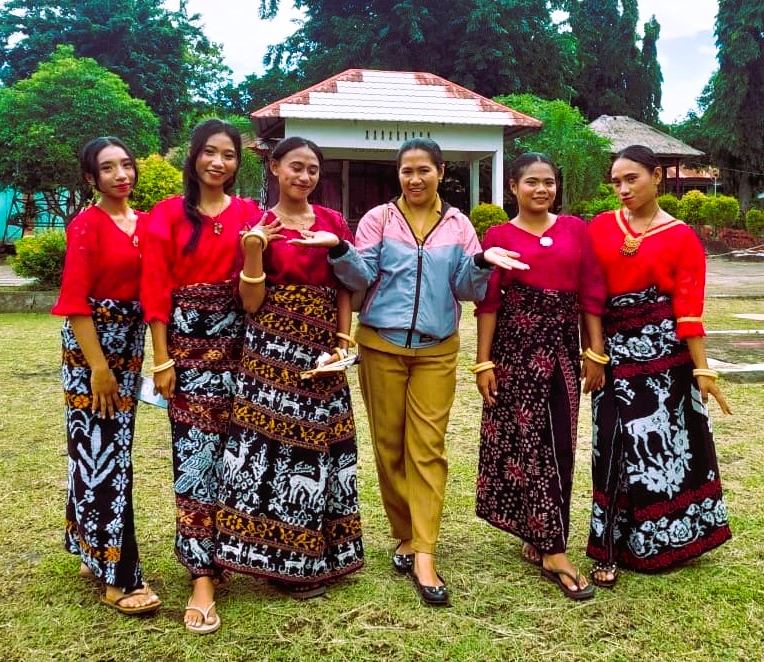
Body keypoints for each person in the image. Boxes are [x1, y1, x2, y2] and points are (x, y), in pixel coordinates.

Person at [297, 137, 528, 606]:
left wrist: (480, 262)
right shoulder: (378, 220)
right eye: (407, 171)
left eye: (424, 170)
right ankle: (404, 533)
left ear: (441, 172)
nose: (415, 178)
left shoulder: (459, 225)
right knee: (389, 446)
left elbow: (465, 289)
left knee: (427, 449)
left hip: (436, 350)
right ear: (398, 174)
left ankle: (424, 551)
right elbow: (361, 277)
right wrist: (340, 249)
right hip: (380, 345)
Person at [213, 137, 364, 596]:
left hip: (321, 351)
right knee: (270, 451)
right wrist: (254, 249)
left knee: (323, 449)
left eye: (313, 170)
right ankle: (276, 560)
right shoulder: (258, 224)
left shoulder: (333, 222)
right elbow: (250, 303)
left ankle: (325, 555)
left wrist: (342, 342)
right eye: (296, 167)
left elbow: (346, 287)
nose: (305, 177)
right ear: (275, 167)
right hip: (270, 351)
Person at [585, 144, 732, 588]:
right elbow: (590, 297)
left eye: (632, 179)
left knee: (664, 449)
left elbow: (688, 307)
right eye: (616, 182)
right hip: (612, 353)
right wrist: (594, 352)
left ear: (657, 177)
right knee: (611, 444)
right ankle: (607, 547)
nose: (623, 189)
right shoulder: (600, 227)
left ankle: (666, 542)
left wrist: (702, 370)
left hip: (667, 359)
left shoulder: (682, 236)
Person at [141, 119, 261, 633]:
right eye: (210, 152)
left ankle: (238, 554)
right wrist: (162, 359)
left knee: (241, 458)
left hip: (243, 351)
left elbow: (258, 290)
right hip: (186, 353)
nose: (219, 162)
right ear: (193, 157)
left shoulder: (250, 214)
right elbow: (155, 288)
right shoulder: (167, 214)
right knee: (195, 461)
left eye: (229, 155)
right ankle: (201, 576)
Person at [474, 153, 606, 601]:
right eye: (532, 182)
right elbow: (489, 302)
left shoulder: (574, 229)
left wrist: (594, 351)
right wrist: (483, 362)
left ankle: (547, 535)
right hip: (515, 351)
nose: (542, 189)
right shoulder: (499, 235)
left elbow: (591, 292)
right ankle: (550, 546)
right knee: (525, 442)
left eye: (549, 182)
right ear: (513, 186)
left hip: (563, 349)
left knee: (560, 443)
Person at [52, 136, 161, 615]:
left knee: (107, 450)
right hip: (90, 353)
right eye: (109, 168)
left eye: (127, 165)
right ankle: (118, 576)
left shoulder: (147, 224)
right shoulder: (86, 225)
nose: (122, 175)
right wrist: (98, 368)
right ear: (91, 178)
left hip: (130, 349)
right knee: (101, 456)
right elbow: (75, 302)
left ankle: (87, 545)